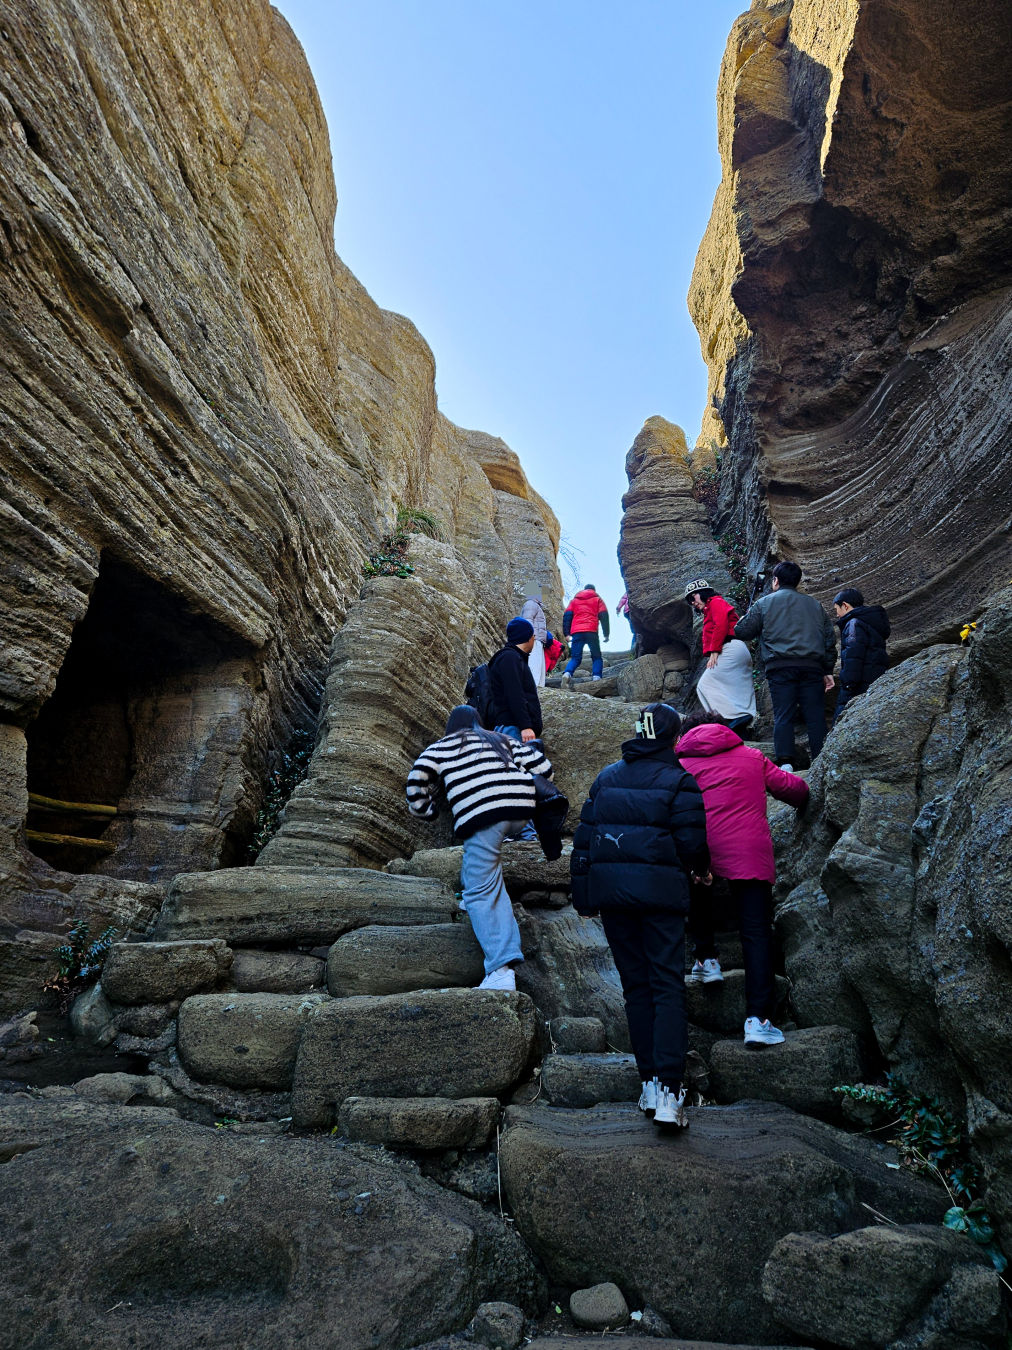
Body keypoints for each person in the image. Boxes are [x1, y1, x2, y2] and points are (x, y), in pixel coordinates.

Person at [570, 703, 710, 1130]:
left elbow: (585, 841)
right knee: (667, 986)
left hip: (615, 898)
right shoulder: (679, 780)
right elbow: (691, 841)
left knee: (636, 989)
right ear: (673, 737)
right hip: (661, 899)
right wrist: (701, 870)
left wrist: (584, 897)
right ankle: (669, 1091)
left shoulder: (607, 778)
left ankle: (648, 1083)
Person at [676, 712, 808, 1046]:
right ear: (725, 729)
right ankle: (759, 1020)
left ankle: (706, 959)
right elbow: (793, 789)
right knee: (756, 932)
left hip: (699, 848)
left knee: (697, 885)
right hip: (747, 850)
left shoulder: (679, 765)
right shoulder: (751, 756)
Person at [407, 705, 553, 990]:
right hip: (521, 810)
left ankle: (501, 970)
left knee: (480, 889)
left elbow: (415, 783)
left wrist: (428, 811)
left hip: (484, 814)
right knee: (482, 859)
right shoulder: (500, 739)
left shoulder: (442, 746)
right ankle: (477, 890)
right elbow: (544, 768)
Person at [733, 561, 837, 771]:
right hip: (812, 667)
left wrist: (744, 617)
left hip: (780, 667)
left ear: (776, 581)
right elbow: (828, 640)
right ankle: (821, 761)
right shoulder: (815, 605)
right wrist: (827, 670)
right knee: (815, 715)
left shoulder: (764, 603)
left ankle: (786, 763)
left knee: (783, 714)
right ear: (797, 582)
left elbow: (742, 631)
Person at [683, 578, 757, 733]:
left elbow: (721, 625)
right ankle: (739, 719)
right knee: (735, 685)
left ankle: (731, 718)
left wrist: (715, 651)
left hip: (730, 648)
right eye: (689, 600)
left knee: (705, 684)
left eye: (693, 597)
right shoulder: (711, 608)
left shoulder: (715, 602)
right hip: (735, 649)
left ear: (702, 593)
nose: (692, 602)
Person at [832, 588, 890, 722]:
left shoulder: (853, 624)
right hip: (873, 679)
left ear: (845, 605)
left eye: (836, 609)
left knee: (843, 721)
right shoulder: (870, 622)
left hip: (857, 684)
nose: (837, 614)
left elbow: (853, 655)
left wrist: (848, 683)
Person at [487, 617, 542, 742]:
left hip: (514, 727)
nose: (534, 639)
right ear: (528, 637)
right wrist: (525, 726)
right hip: (512, 729)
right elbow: (514, 693)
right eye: (533, 635)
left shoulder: (513, 657)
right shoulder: (509, 658)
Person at [561, 584, 610, 685]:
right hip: (591, 631)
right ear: (593, 590)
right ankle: (596, 677)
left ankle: (567, 673)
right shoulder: (597, 599)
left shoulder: (574, 601)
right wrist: (606, 634)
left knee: (575, 658)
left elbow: (567, 617)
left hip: (577, 632)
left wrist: (567, 633)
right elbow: (604, 616)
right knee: (596, 657)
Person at [521, 586, 549, 689]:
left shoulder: (536, 605)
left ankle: (538, 687)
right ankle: (532, 687)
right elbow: (527, 620)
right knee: (534, 664)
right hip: (533, 638)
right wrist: (530, 636)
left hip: (537, 639)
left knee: (539, 666)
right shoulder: (531, 604)